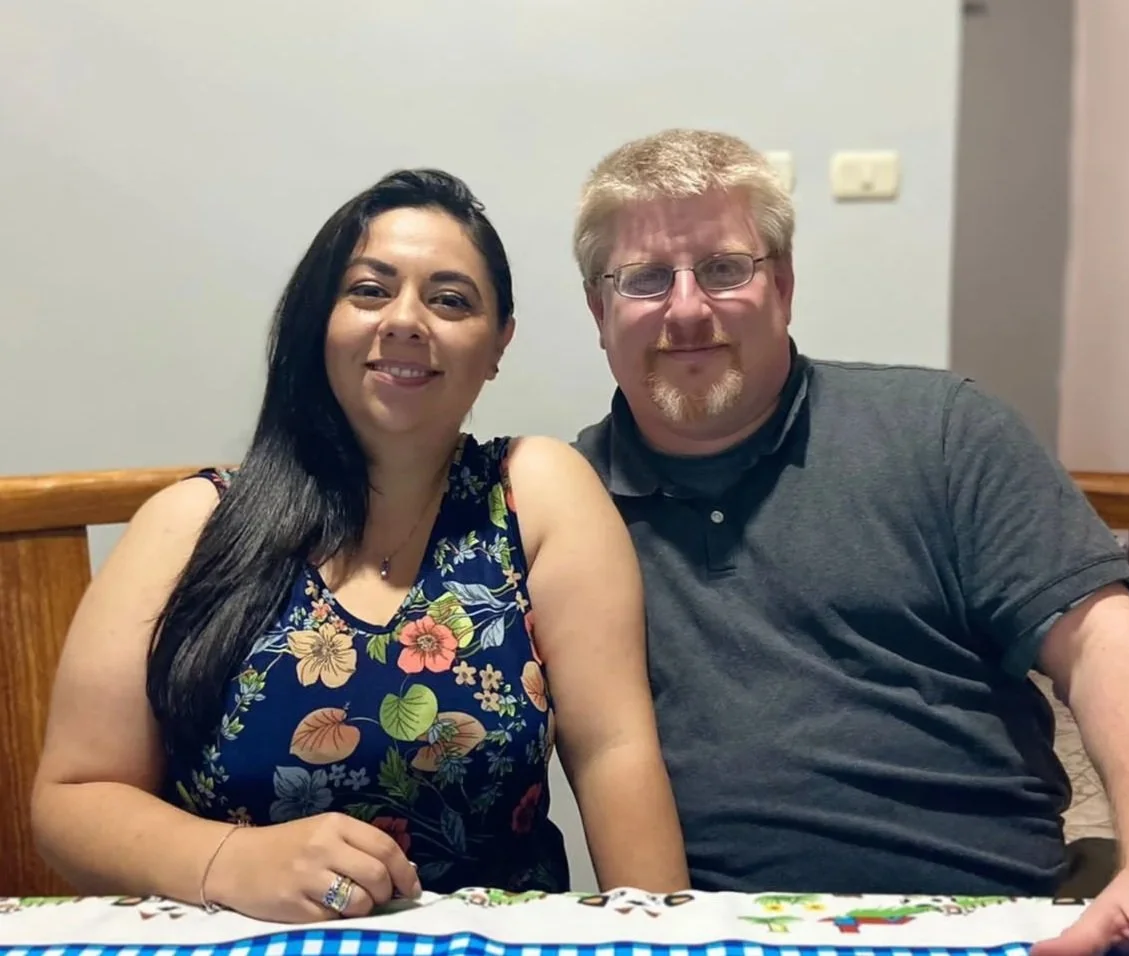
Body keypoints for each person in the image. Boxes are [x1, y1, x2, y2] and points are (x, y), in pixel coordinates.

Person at [569, 128, 1129, 956]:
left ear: (784, 285)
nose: (687, 309)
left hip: (1001, 917)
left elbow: (1110, 647)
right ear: (598, 310)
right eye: (646, 278)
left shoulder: (941, 431)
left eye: (725, 269)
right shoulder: (563, 505)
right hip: (726, 933)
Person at [30, 168, 688, 923]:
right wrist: (229, 860)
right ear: (319, 320)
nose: (406, 320)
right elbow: (73, 799)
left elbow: (614, 754)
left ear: (498, 343)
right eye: (370, 291)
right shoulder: (190, 524)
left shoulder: (536, 492)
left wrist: (667, 935)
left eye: (450, 300)